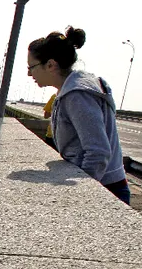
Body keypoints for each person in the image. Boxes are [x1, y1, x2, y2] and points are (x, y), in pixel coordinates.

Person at [27, 26, 130, 204]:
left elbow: (98, 153)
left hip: (106, 191)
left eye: (32, 67)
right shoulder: (76, 87)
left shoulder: (77, 95)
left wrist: (79, 197)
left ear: (50, 65)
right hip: (109, 185)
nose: (29, 73)